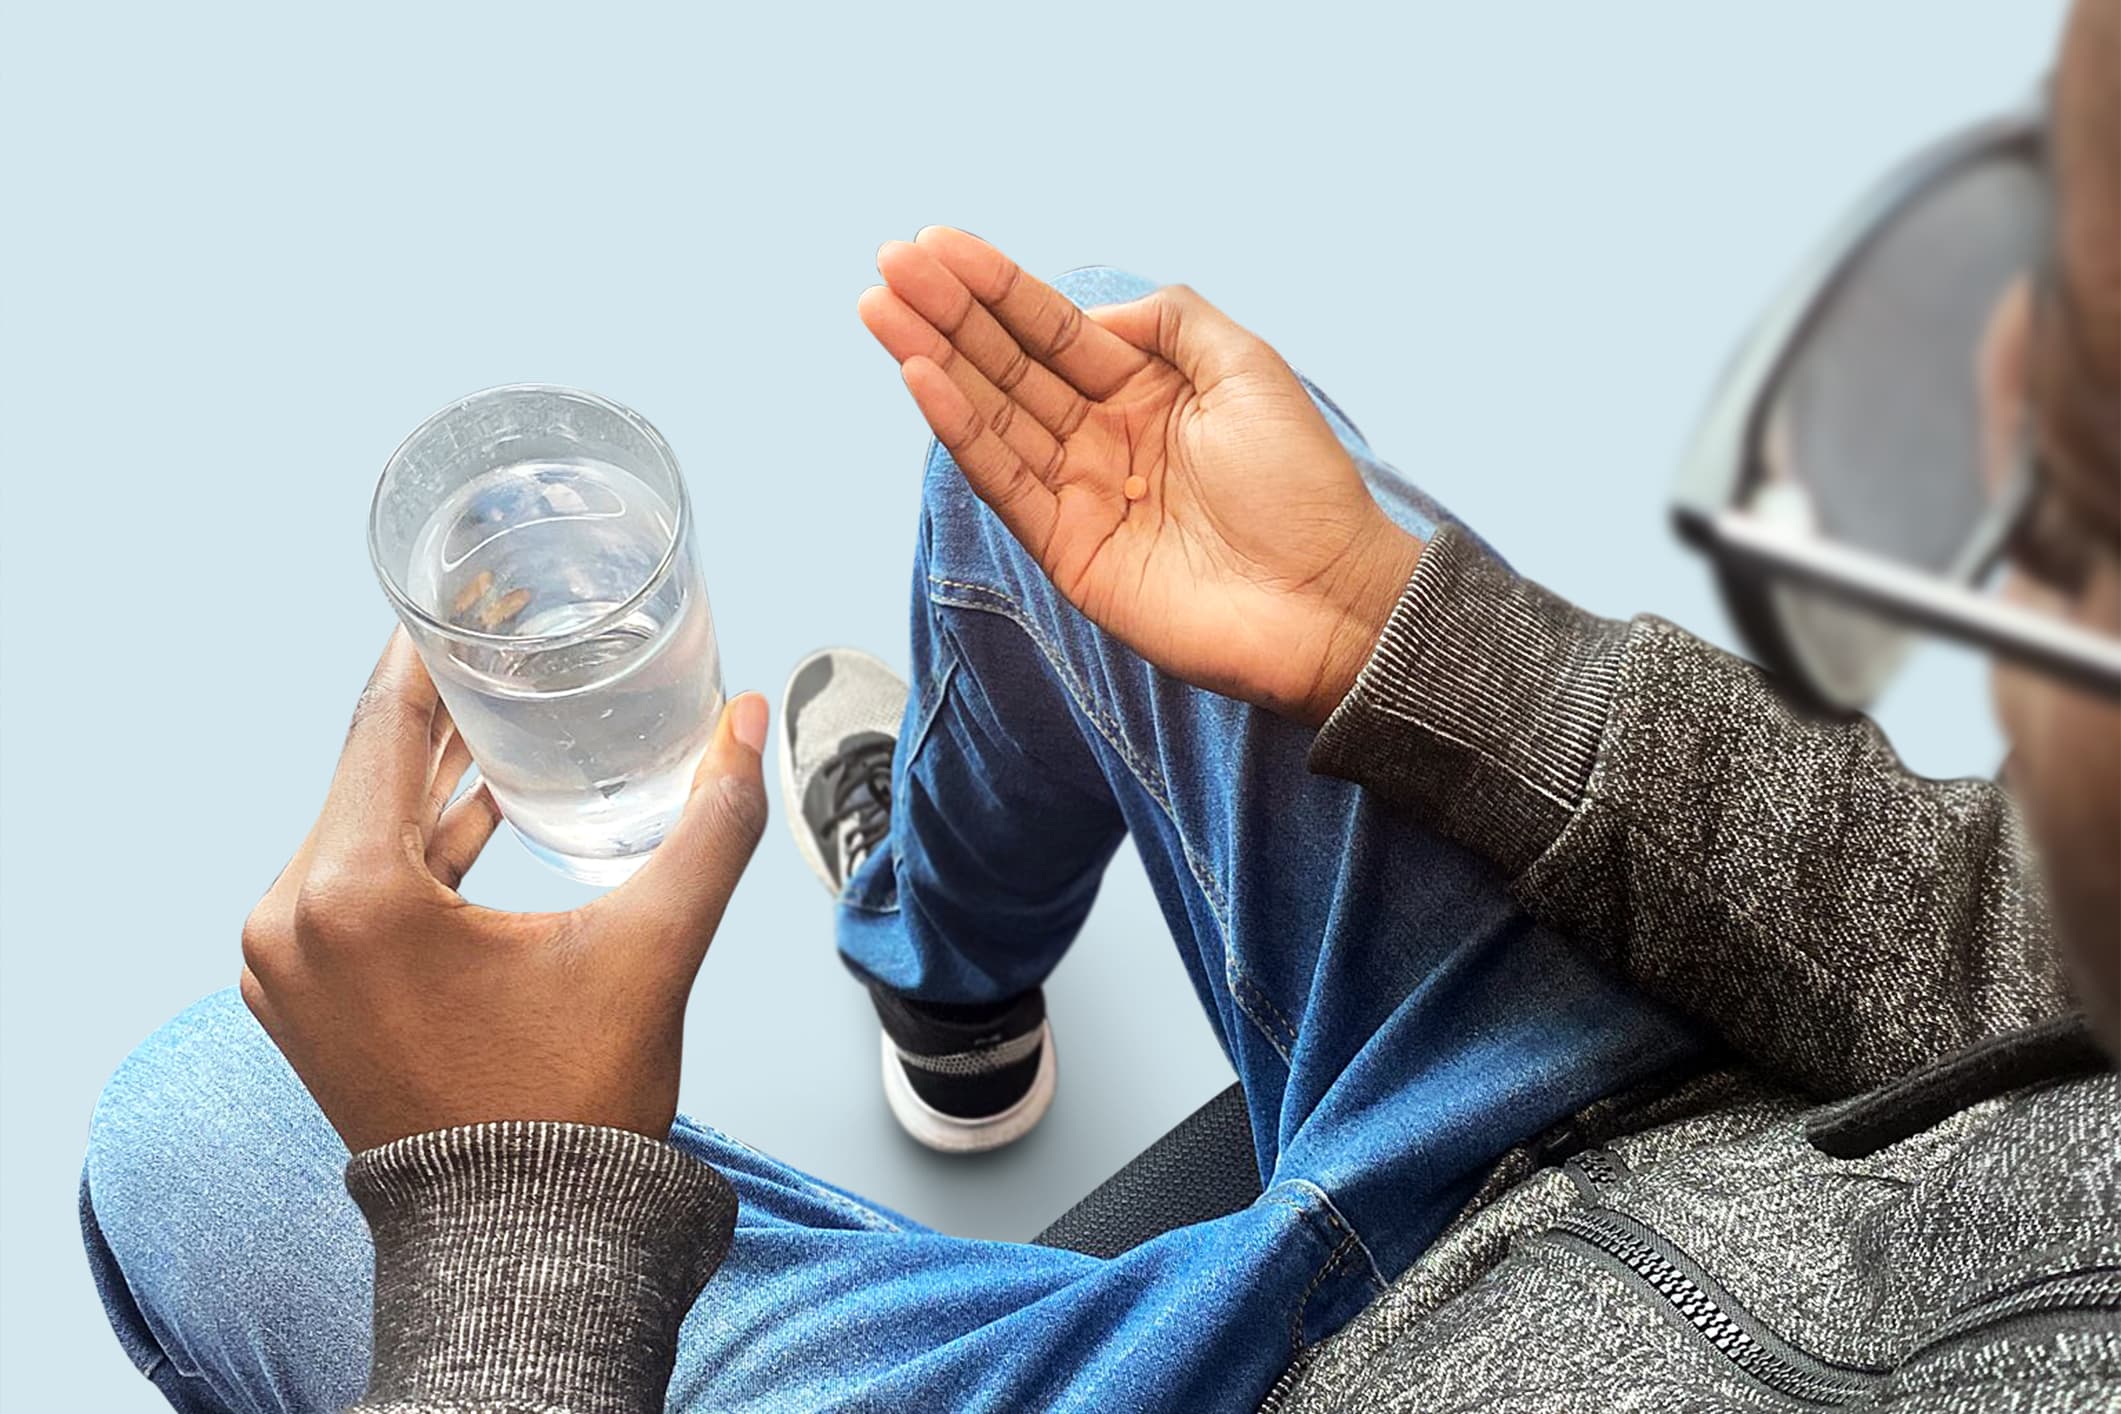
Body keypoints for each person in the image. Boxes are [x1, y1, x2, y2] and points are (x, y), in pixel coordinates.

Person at [82, 2, 2119, 1409]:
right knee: (1047, 476)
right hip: (1686, 1131)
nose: (1992, 405)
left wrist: (514, 1247)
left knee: (197, 1126)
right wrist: (1409, 640)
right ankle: (945, 982)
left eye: (2082, 474)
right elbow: (2005, 943)